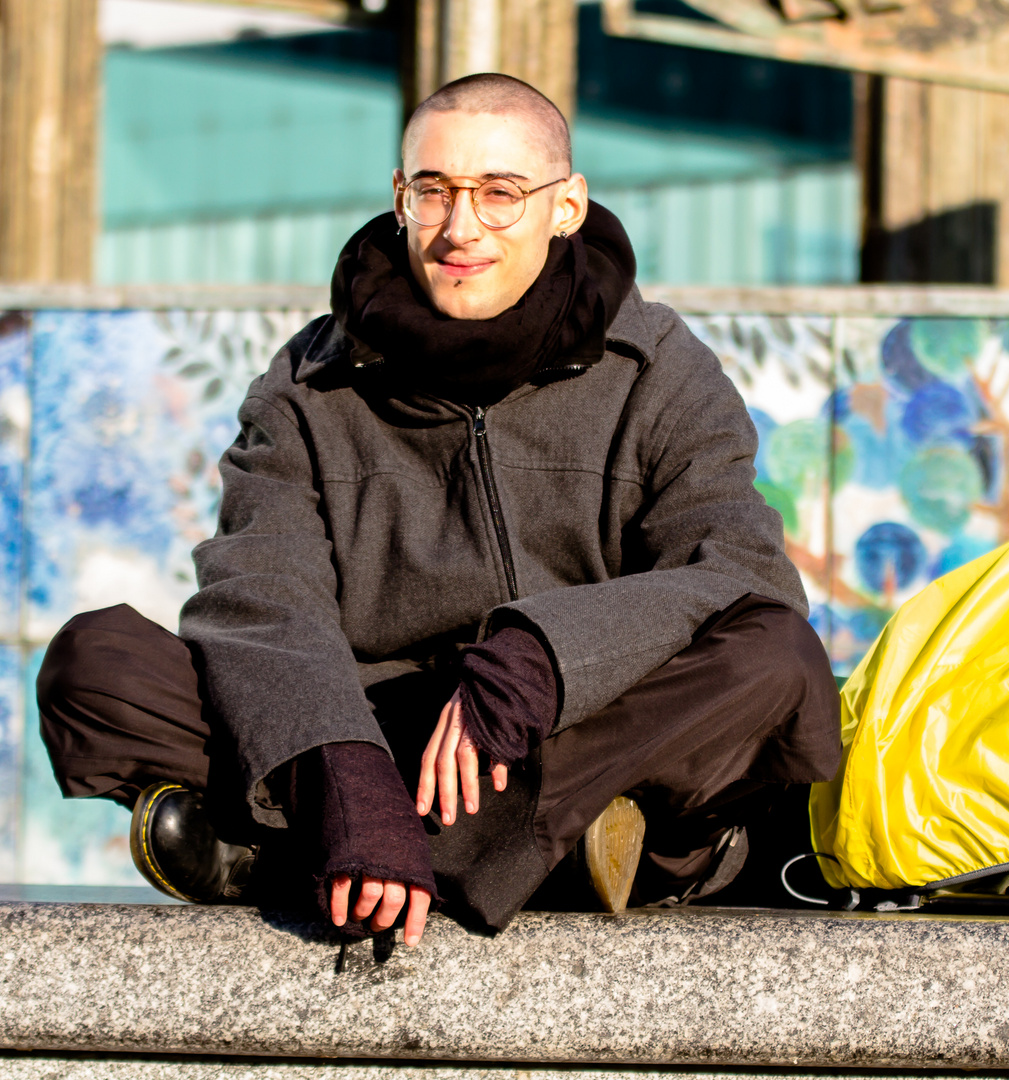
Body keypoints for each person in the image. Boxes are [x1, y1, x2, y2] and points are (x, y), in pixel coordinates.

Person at [34, 73, 840, 947]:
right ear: (399, 198)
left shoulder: (660, 368)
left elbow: (737, 572)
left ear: (564, 206)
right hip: (378, 727)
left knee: (773, 655)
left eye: (500, 194)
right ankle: (555, 854)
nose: (462, 229)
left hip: (578, 730)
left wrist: (540, 657)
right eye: (435, 192)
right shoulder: (310, 384)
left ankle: (286, 849)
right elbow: (260, 594)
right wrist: (344, 772)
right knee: (97, 664)